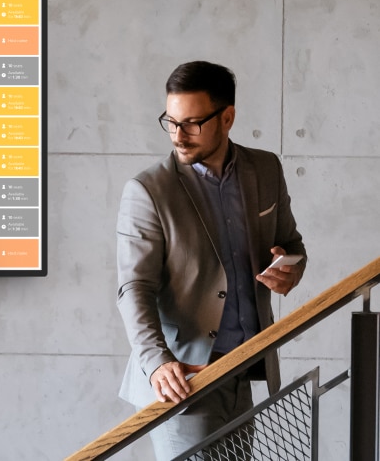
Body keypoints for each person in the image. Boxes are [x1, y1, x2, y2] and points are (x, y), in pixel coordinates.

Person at [115, 61, 306, 460]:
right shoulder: (148, 191)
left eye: (192, 123)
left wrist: (289, 270)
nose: (178, 136)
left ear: (228, 118)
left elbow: (291, 243)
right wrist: (157, 363)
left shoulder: (266, 168)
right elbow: (134, 287)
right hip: (182, 380)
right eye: (170, 121)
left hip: (242, 368)